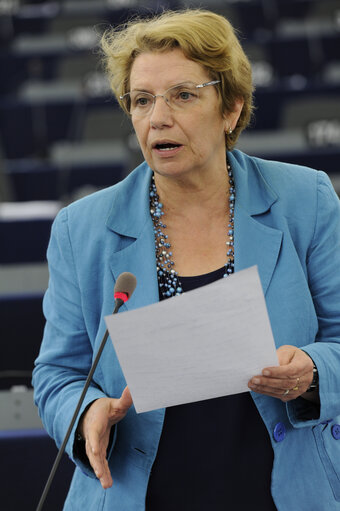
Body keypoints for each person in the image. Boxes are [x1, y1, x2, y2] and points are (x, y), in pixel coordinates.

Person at [32, 9, 340, 511]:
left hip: (284, 490)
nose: (157, 117)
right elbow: (56, 375)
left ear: (231, 109)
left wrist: (314, 368)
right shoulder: (81, 228)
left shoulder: (305, 199)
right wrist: (86, 412)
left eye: (183, 95)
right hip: (139, 492)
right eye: (141, 100)